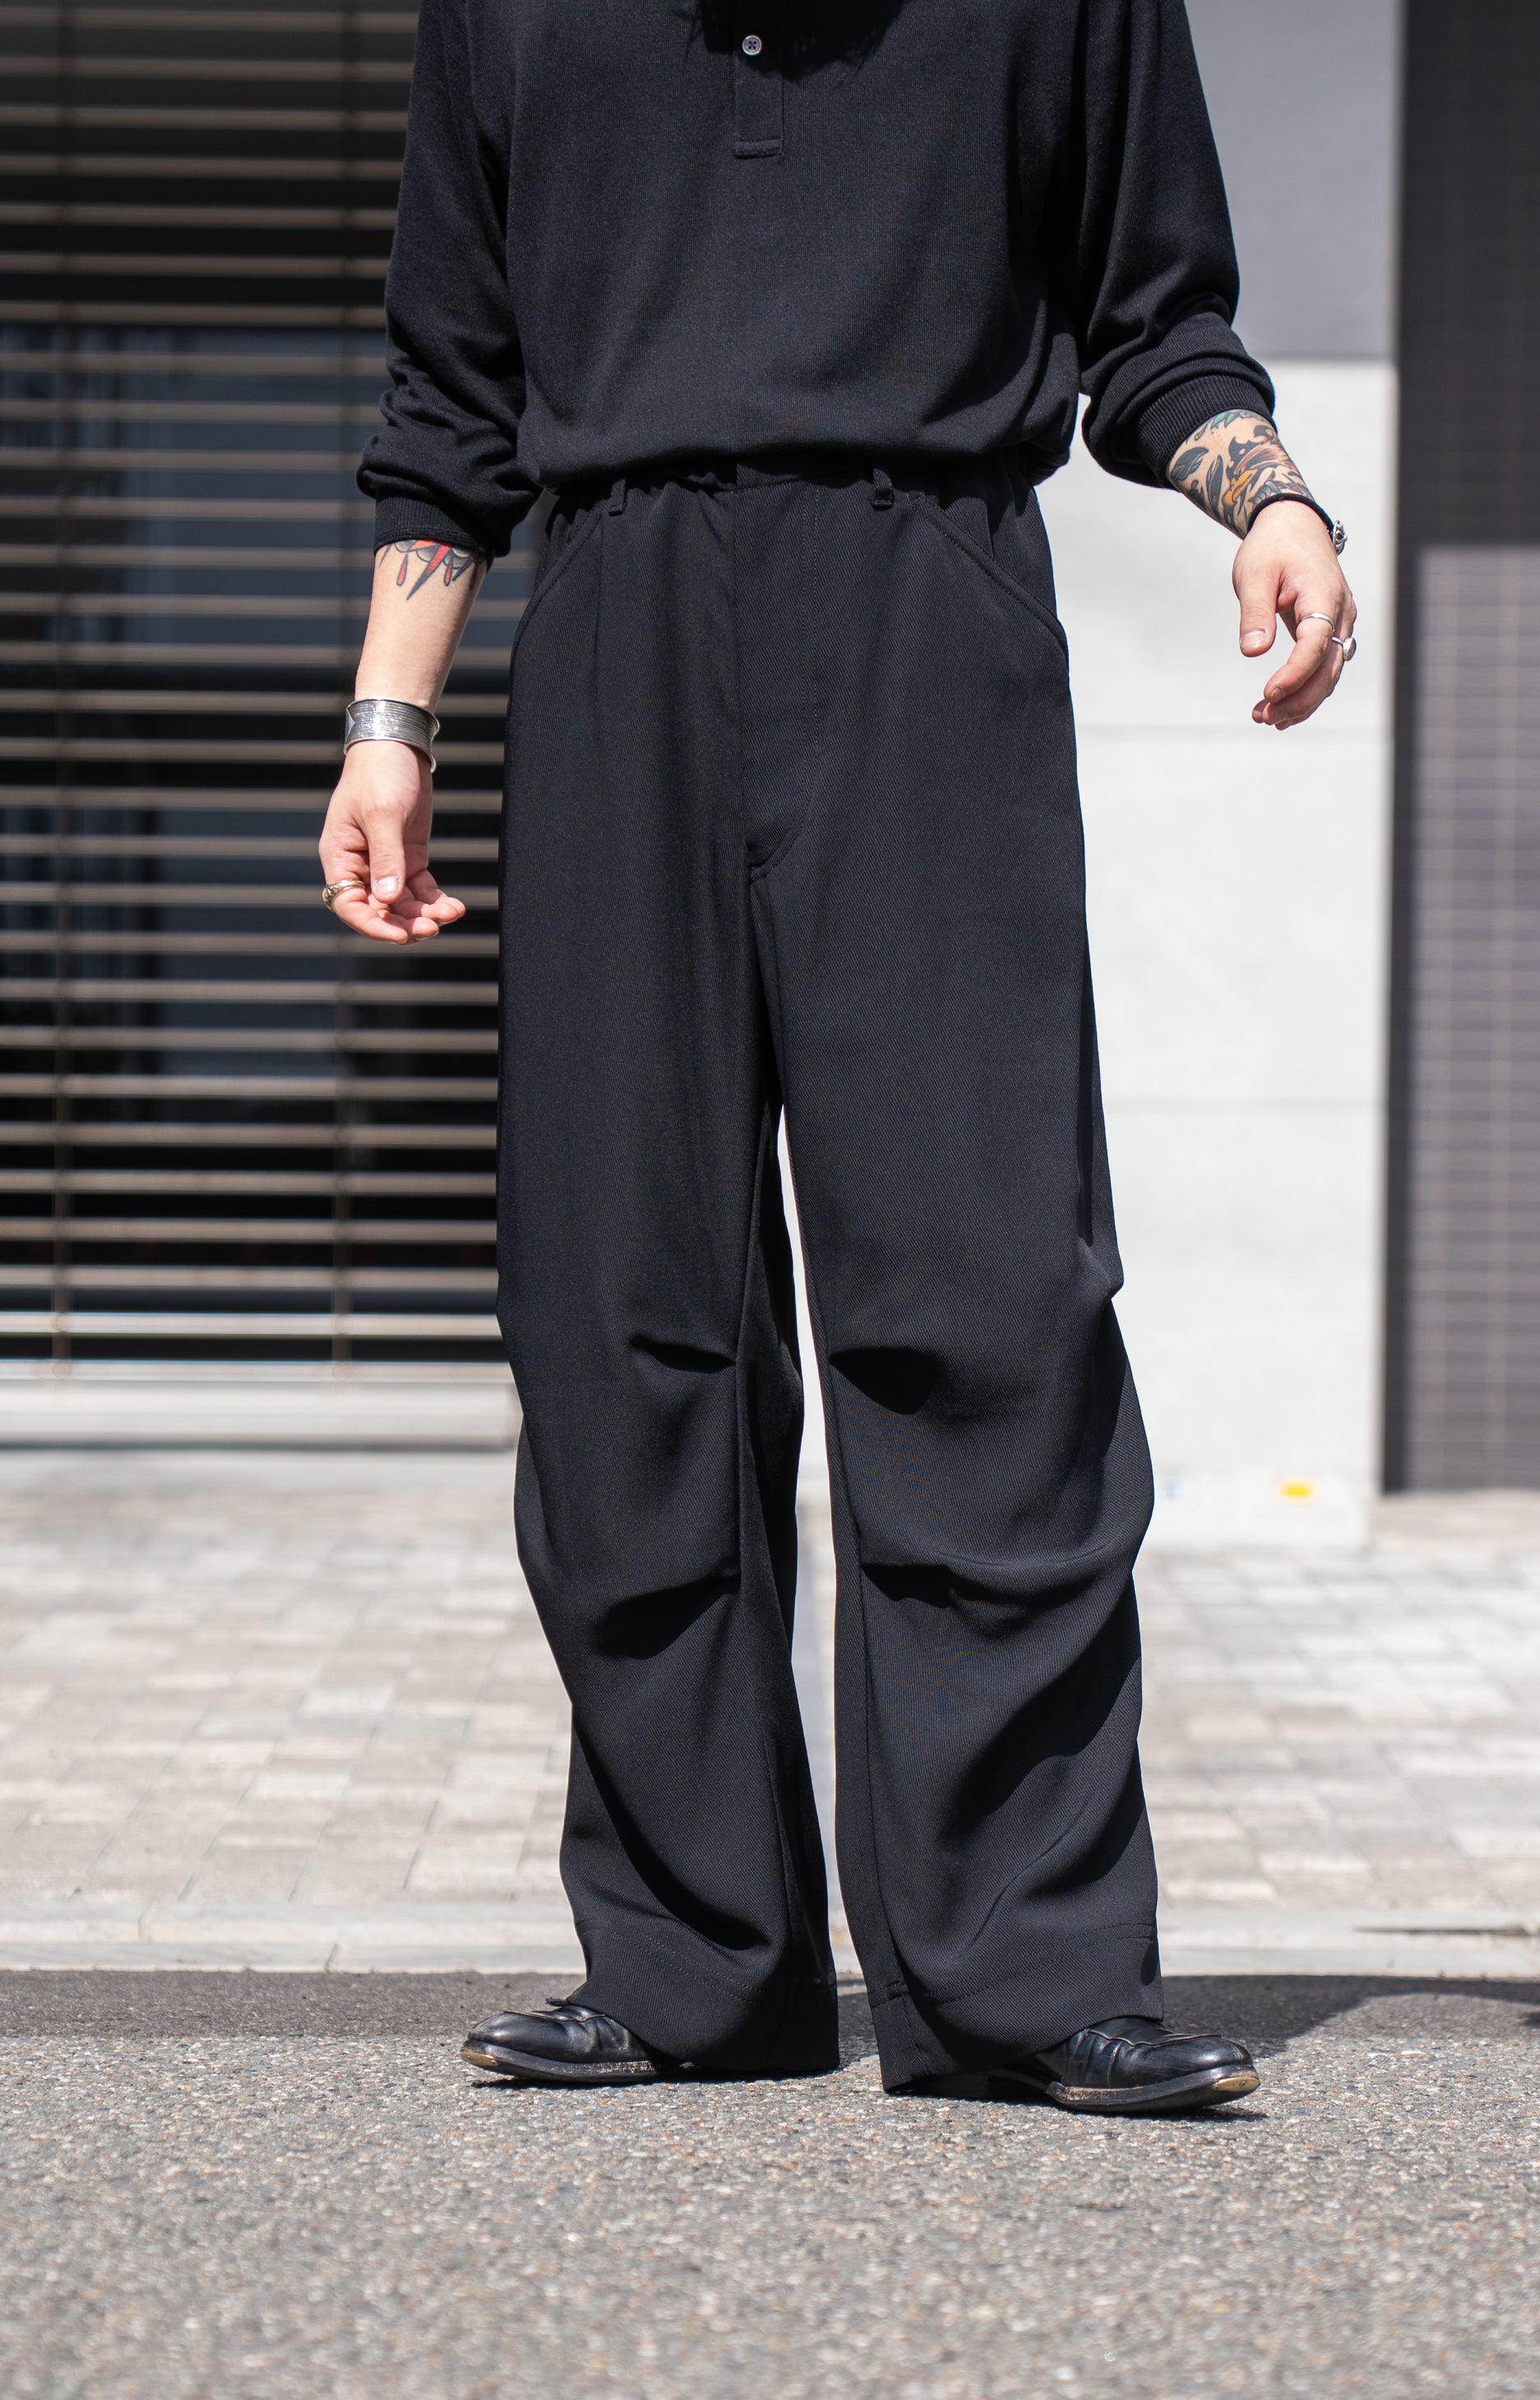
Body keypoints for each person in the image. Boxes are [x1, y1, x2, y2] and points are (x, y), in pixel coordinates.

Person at [321, 0, 1355, 2116]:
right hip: (613, 628)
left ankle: (1026, 1972)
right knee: (625, 1317)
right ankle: (690, 1959)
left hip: (928, 610)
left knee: (986, 1294)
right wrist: (389, 722)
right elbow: (454, 386)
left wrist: (1269, 499)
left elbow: (1158, 320)